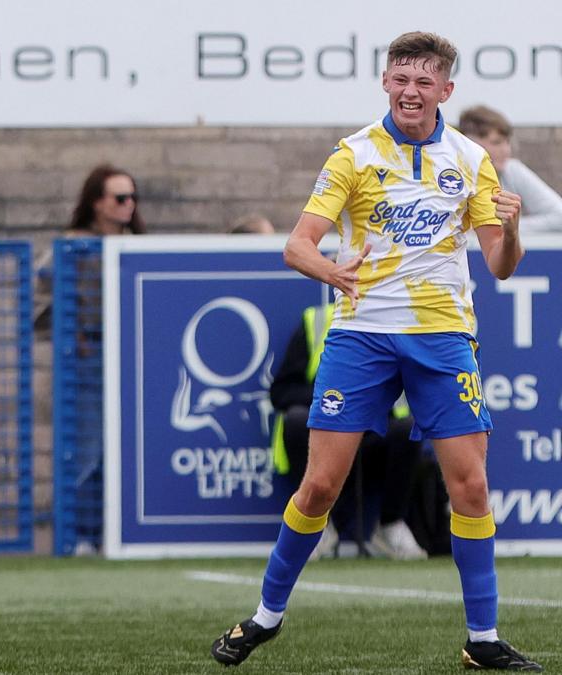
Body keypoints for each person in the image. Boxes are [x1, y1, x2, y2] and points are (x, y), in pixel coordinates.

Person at [211, 32, 541, 670]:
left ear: (446, 90)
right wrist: (333, 272)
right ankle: (265, 616)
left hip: (443, 335)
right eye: (400, 79)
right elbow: (297, 245)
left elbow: (500, 264)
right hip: (361, 334)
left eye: (424, 82)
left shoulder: (472, 158)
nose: (410, 92)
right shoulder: (353, 154)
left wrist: (515, 226)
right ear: (385, 82)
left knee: (471, 486)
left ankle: (483, 640)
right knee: (319, 487)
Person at [271, 302, 428, 561]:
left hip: (373, 431)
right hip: (324, 429)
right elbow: (281, 392)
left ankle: (390, 526)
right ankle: (318, 527)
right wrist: (334, 400)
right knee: (296, 420)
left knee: (406, 429)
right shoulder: (317, 321)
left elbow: (408, 388)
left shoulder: (393, 321)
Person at [459, 105, 562, 233]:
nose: (506, 150)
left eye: (507, 142)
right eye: (496, 142)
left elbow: (559, 216)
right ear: (471, 143)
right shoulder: (449, 175)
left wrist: (505, 227)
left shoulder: (511, 170)